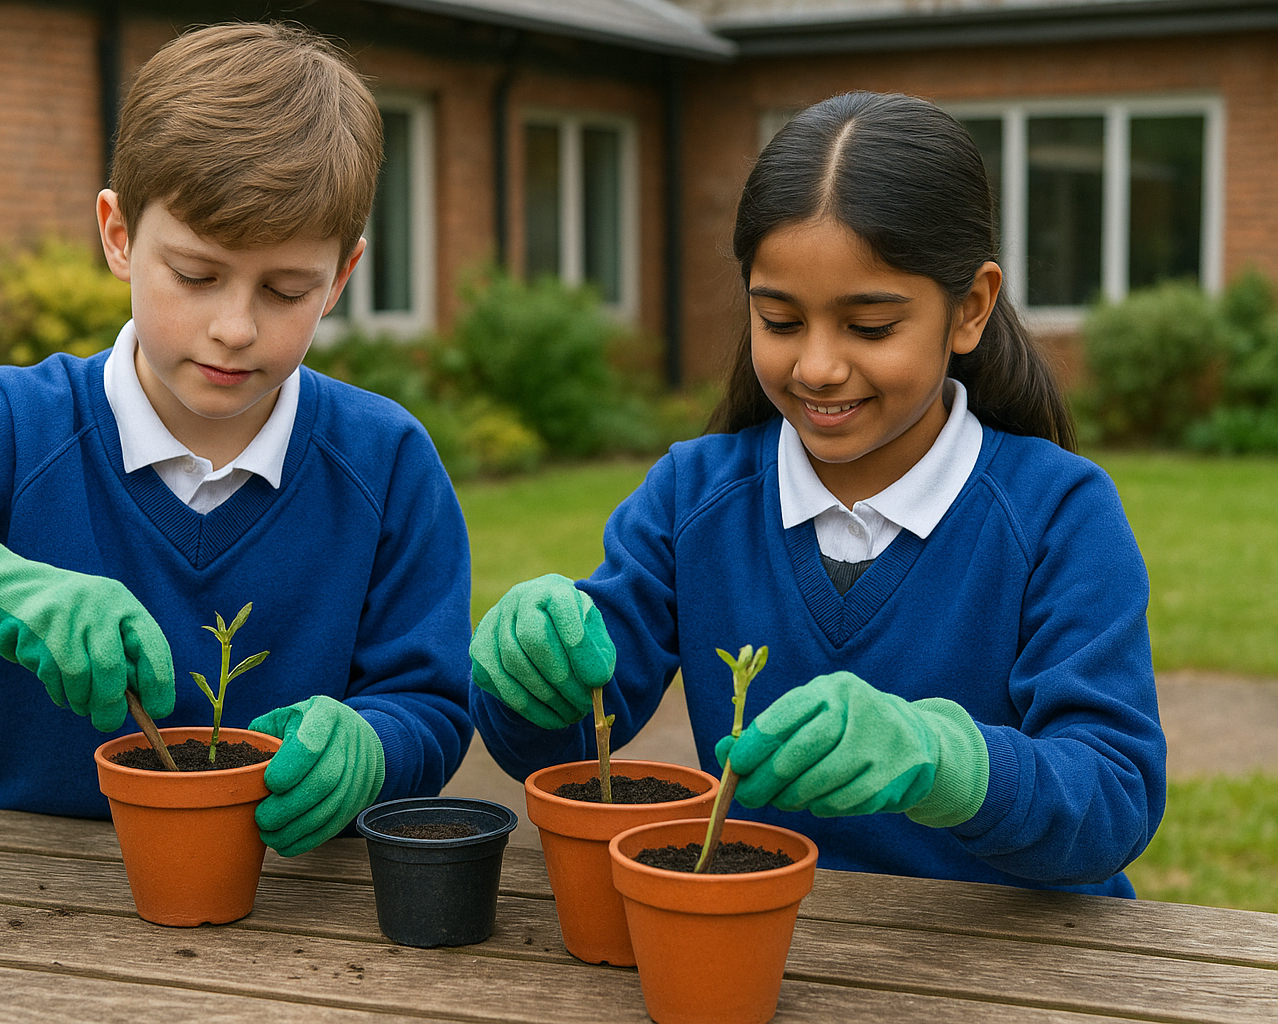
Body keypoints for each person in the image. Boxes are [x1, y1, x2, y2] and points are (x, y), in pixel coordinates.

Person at [0, 22, 472, 858]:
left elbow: (433, 703)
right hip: (19, 912)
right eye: (196, 276)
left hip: (294, 924)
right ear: (119, 236)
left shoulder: (387, 463)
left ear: (341, 276)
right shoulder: (17, 428)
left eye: (285, 289)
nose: (234, 328)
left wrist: (375, 747)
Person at [468, 92, 1165, 896]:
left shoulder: (1057, 515)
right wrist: (529, 669)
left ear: (970, 308)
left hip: (1012, 969)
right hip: (769, 952)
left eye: (870, 327)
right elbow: (561, 747)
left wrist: (945, 760)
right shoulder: (695, 498)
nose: (818, 367)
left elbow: (1114, 801)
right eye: (781, 320)